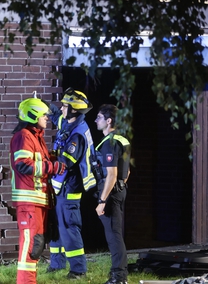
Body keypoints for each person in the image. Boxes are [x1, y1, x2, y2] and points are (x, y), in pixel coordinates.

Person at [9, 96, 67, 284]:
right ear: (33, 115)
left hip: (38, 201)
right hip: (29, 202)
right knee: (30, 246)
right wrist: (53, 167)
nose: (47, 118)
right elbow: (23, 165)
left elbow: (38, 160)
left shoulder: (35, 137)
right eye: (44, 114)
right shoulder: (24, 136)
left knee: (36, 245)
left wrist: (52, 157)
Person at [46, 88, 97, 279]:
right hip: (60, 187)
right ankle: (56, 264)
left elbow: (64, 163)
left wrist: (43, 163)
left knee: (69, 227)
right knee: (57, 225)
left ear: (74, 110)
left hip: (70, 188)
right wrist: (47, 107)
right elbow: (57, 117)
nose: (62, 108)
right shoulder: (69, 123)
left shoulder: (77, 134)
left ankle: (78, 269)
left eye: (65, 106)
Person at [94, 104, 131, 284]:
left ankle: (119, 276)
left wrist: (102, 200)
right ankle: (118, 274)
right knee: (115, 233)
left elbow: (112, 174)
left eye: (99, 117)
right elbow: (127, 171)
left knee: (113, 235)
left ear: (108, 121)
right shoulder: (123, 140)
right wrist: (120, 186)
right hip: (120, 190)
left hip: (110, 193)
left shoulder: (109, 142)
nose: (96, 120)